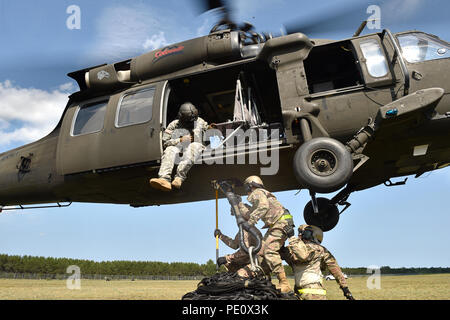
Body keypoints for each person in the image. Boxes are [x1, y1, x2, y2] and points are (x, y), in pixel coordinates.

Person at [238, 175, 295, 293]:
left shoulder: (257, 192)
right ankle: (265, 280)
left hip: (279, 224)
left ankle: (284, 283)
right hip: (278, 224)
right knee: (260, 252)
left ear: (250, 185)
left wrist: (250, 222)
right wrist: (239, 205)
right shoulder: (263, 194)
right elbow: (252, 211)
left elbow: (263, 207)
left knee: (269, 251)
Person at [281, 224, 354, 300]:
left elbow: (302, 255)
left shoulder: (316, 249)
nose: (299, 235)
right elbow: (335, 269)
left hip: (313, 294)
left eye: (301, 232)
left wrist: (290, 237)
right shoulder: (294, 249)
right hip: (303, 293)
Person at [150, 102, 211, 191]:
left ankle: (179, 178)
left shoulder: (201, 122)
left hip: (196, 150)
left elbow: (209, 133)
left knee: (194, 145)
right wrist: (180, 140)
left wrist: (211, 129)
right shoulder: (174, 125)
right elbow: (165, 143)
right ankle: (164, 179)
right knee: (170, 149)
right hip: (179, 150)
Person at [214, 206, 264, 278]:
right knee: (228, 264)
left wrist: (227, 258)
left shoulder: (249, 231)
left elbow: (245, 252)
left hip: (255, 263)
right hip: (246, 261)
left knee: (240, 275)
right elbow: (234, 244)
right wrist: (221, 236)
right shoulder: (243, 230)